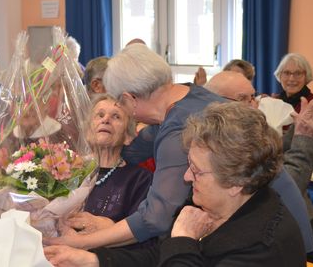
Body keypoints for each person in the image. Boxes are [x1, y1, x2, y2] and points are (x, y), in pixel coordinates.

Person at [45, 102, 306, 267]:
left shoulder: (262, 247)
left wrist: (183, 239)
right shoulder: (225, 207)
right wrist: (94, 260)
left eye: (197, 171)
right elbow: (159, 255)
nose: (187, 177)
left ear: (235, 182)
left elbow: (177, 252)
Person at [46, 43, 225, 249]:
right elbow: (132, 148)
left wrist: (82, 243)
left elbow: (156, 218)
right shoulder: (184, 96)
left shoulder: (178, 129)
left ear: (129, 99)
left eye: (119, 108)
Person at [204, 71, 313, 255]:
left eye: (253, 97)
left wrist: (299, 130)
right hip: (276, 247)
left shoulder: (236, 132)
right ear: (215, 102)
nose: (254, 104)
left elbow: (277, 153)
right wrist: (307, 139)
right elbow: (282, 189)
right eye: (244, 99)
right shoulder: (228, 142)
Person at [64, 94, 152, 239]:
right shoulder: (66, 171)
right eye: (100, 115)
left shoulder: (140, 179)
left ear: (128, 136)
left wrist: (109, 226)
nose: (105, 120)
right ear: (87, 131)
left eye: (116, 116)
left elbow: (144, 236)